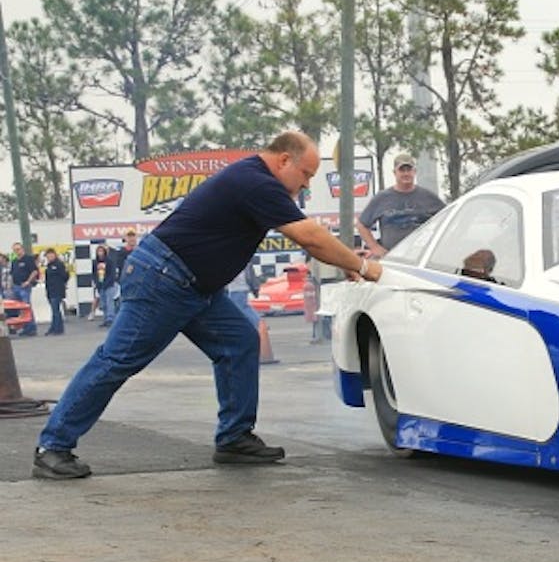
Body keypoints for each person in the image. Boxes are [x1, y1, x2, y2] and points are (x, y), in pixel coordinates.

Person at [32, 131, 386, 480]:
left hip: (192, 285)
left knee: (239, 342)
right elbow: (309, 237)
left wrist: (347, 262)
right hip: (164, 280)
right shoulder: (257, 183)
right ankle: (53, 446)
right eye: (306, 174)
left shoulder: (256, 179)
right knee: (115, 361)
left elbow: (312, 240)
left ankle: (234, 439)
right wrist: (364, 267)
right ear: (284, 160)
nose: (306, 184)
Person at [354, 151, 445, 256]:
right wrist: (375, 247)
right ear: (394, 172)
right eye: (402, 170)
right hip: (392, 258)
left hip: (421, 258)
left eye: (409, 170)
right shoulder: (382, 198)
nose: (406, 173)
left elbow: (447, 219)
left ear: (414, 172)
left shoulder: (429, 197)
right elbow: (361, 225)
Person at [10, 242, 39, 336]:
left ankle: (31, 328)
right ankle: (25, 328)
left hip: (25, 287)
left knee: (27, 307)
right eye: (15, 250)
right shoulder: (14, 261)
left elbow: (34, 271)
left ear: (22, 249)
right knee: (20, 309)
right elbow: (12, 274)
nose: (17, 251)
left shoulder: (28, 259)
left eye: (18, 249)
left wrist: (28, 281)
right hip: (16, 286)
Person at [41, 248, 69, 336]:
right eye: (48, 256)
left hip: (58, 290)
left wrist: (61, 284)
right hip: (50, 290)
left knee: (55, 309)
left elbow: (65, 276)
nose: (49, 257)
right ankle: (56, 328)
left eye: (51, 255)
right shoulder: (48, 266)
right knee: (54, 310)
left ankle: (57, 329)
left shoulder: (59, 264)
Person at [225, 262, 261, 327]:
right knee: (243, 308)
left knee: (241, 308)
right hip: (237, 288)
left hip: (238, 288)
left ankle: (258, 323)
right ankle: (257, 323)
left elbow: (249, 276)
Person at [93, 244, 118, 327]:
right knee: (103, 303)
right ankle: (105, 318)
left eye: (101, 251)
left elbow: (112, 274)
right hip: (100, 285)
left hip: (109, 285)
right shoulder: (95, 262)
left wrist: (108, 283)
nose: (100, 253)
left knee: (109, 302)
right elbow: (94, 274)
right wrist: (97, 283)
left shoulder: (110, 261)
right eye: (99, 251)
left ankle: (110, 319)